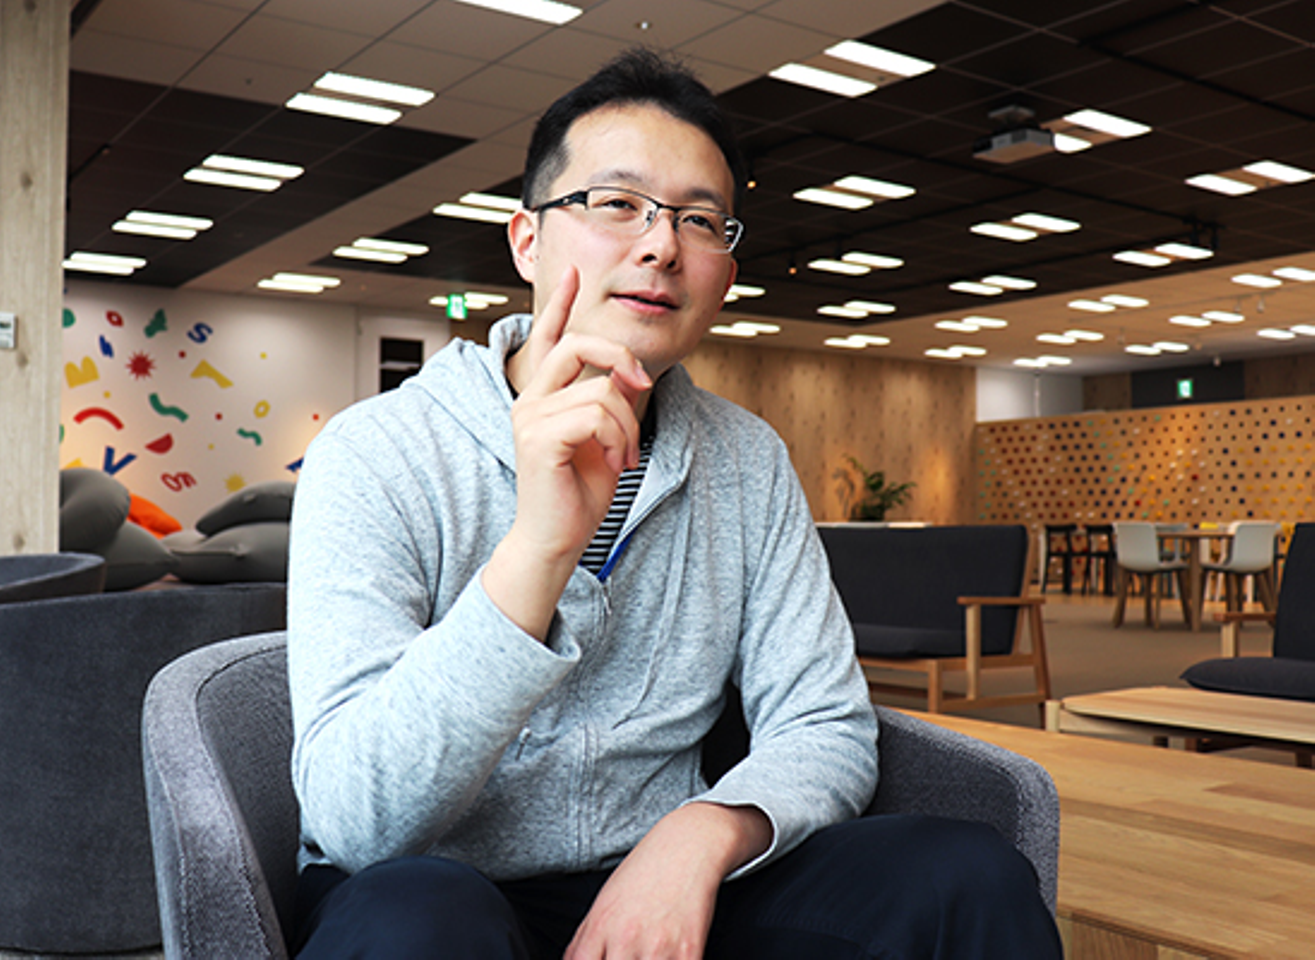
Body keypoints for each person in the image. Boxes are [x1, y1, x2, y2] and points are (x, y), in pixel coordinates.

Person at [287, 48, 1061, 960]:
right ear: (528, 240)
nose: (661, 245)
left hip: (667, 885)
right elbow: (358, 819)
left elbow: (824, 723)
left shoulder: (747, 459)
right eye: (617, 203)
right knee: (414, 921)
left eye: (699, 220)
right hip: (433, 886)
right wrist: (538, 553)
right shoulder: (377, 451)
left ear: (724, 273)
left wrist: (702, 834)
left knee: (963, 874)